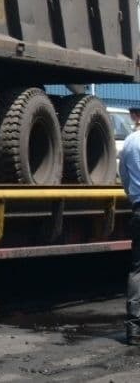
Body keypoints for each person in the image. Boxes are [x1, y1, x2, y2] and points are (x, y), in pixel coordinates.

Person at [120, 111, 140, 345]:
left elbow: (124, 176)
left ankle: (134, 329)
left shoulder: (129, 142)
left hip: (138, 209)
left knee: (137, 269)